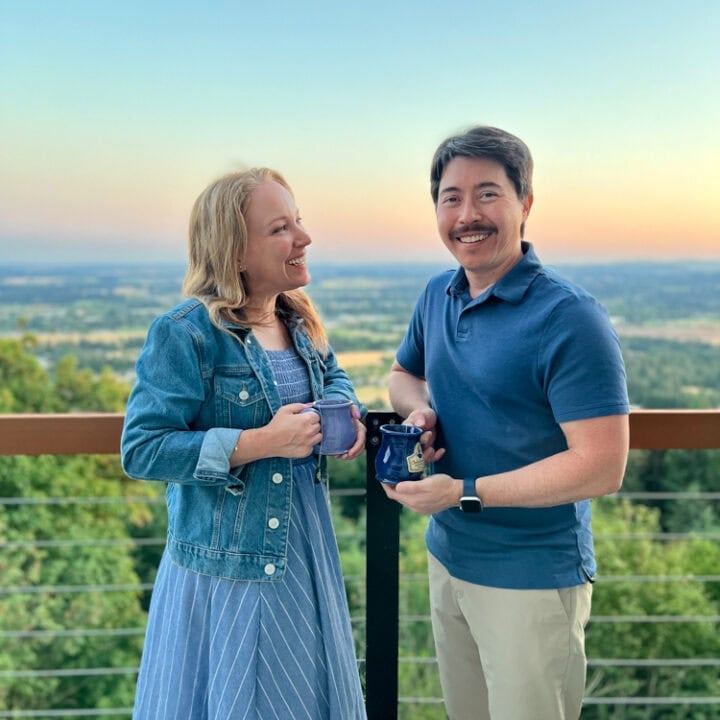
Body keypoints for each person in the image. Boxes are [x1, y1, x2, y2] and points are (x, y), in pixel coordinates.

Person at [383, 126, 629, 720]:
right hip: (447, 558)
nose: (467, 214)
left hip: (532, 580)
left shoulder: (569, 317)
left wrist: (464, 493)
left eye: (487, 194)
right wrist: (424, 409)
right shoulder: (436, 295)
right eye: (450, 197)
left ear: (525, 203)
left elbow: (601, 465)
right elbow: (401, 377)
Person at [121, 168, 367, 720]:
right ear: (234, 252)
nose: (304, 237)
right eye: (281, 227)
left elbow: (335, 380)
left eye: (298, 221)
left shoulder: (298, 322)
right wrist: (259, 442)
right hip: (226, 568)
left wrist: (344, 412)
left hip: (306, 553)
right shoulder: (185, 333)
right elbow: (142, 449)